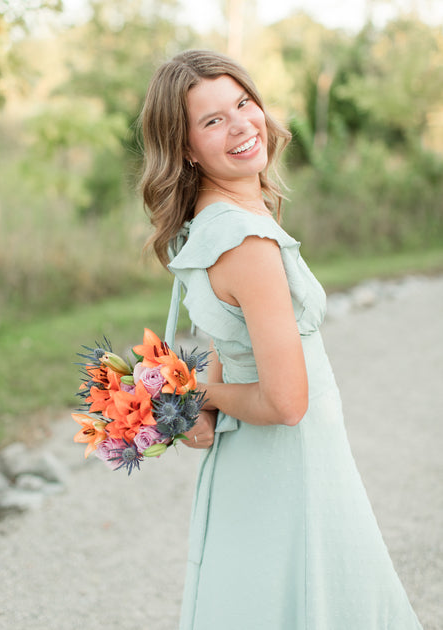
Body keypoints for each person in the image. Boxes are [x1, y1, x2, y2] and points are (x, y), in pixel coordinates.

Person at [140, 49, 423, 630]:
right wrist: (203, 399)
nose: (243, 123)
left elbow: (223, 339)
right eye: (213, 120)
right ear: (187, 147)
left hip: (250, 464)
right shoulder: (246, 243)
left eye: (243, 102)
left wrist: (201, 397)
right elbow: (288, 401)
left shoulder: (208, 226)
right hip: (294, 466)